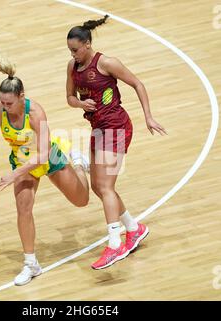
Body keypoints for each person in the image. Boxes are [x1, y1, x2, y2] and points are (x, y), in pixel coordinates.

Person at [0, 49, 90, 285]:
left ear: (22, 96)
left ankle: (79, 162)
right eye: (2, 102)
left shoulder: (36, 113)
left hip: (47, 158)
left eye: (9, 103)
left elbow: (41, 156)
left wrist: (14, 174)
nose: (5, 107)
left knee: (82, 201)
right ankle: (31, 264)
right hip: (21, 161)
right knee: (24, 208)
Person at [66, 16, 167, 269]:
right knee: (98, 188)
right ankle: (134, 228)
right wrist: (80, 103)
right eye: (70, 50)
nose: (73, 54)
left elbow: (138, 84)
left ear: (87, 44)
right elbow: (69, 97)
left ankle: (114, 245)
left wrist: (149, 116)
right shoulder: (72, 67)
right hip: (98, 128)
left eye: (76, 50)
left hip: (117, 127)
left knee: (106, 186)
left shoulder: (107, 63)